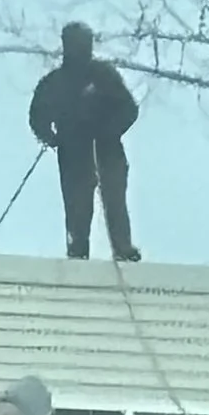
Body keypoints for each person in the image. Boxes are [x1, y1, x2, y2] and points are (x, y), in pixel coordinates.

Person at [29, 24, 141, 263]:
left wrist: (108, 130)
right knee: (77, 204)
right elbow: (37, 115)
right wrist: (52, 137)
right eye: (74, 42)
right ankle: (78, 250)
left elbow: (128, 109)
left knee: (114, 199)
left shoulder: (104, 76)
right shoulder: (56, 82)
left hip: (107, 150)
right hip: (74, 153)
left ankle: (122, 247)